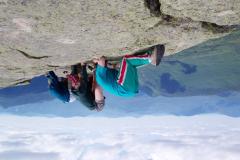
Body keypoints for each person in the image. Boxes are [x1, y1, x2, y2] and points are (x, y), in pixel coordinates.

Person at [93, 44, 165, 97]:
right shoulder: (99, 77)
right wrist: (97, 60)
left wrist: (111, 65)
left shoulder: (105, 77)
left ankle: (150, 56)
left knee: (131, 66)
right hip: (123, 87)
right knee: (127, 60)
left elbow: (114, 67)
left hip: (130, 91)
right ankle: (151, 59)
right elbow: (102, 60)